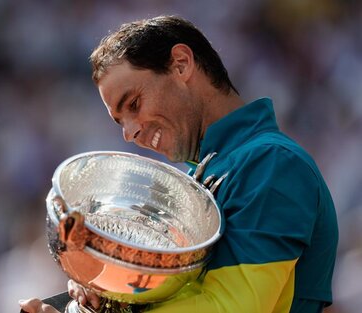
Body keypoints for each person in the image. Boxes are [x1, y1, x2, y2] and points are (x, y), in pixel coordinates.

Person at [20, 15, 338, 313]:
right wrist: (99, 297)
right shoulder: (196, 182)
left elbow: (233, 306)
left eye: (133, 104)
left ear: (182, 65)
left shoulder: (272, 163)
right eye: (119, 121)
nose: (129, 133)